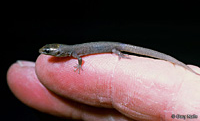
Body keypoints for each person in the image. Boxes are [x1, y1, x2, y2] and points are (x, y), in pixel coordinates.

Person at [7, 54, 200, 121]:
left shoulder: (74, 53)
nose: (47, 54)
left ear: (60, 52)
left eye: (49, 51)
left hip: (114, 46)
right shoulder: (71, 52)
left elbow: (80, 60)